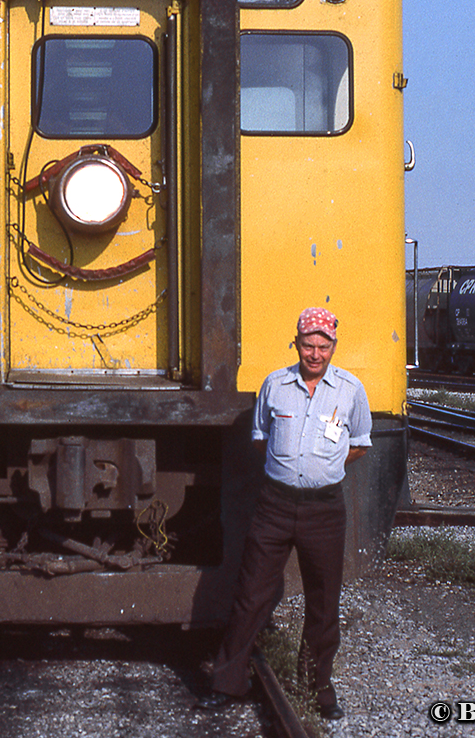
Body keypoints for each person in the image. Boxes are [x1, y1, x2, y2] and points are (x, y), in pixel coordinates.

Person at [197, 307, 371, 721]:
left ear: (333, 346)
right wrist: (291, 469)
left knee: (324, 602)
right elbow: (261, 438)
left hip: (325, 510)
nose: (314, 353)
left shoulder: (350, 390)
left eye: (322, 346)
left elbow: (360, 443)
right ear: (296, 344)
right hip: (274, 506)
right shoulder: (275, 385)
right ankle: (227, 682)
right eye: (307, 345)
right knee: (251, 594)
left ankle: (318, 688)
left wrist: (322, 469)